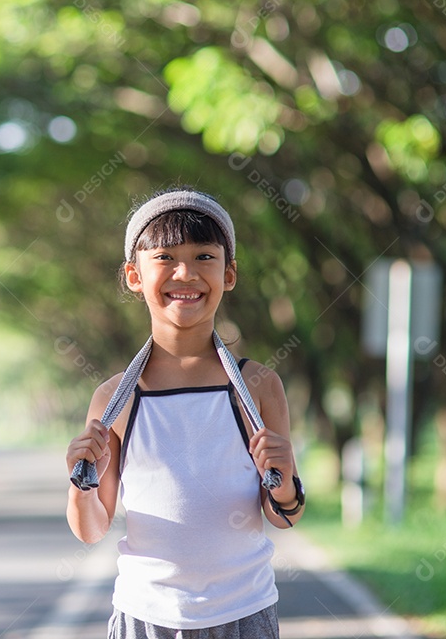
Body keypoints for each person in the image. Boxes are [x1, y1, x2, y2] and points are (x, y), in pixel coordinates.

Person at [65, 187, 305, 639]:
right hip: (144, 616)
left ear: (229, 274)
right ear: (134, 276)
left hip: (244, 612)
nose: (185, 273)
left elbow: (283, 515)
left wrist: (286, 479)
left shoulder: (256, 388)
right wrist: (82, 484)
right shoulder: (116, 397)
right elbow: (92, 529)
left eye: (203, 257)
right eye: (165, 258)